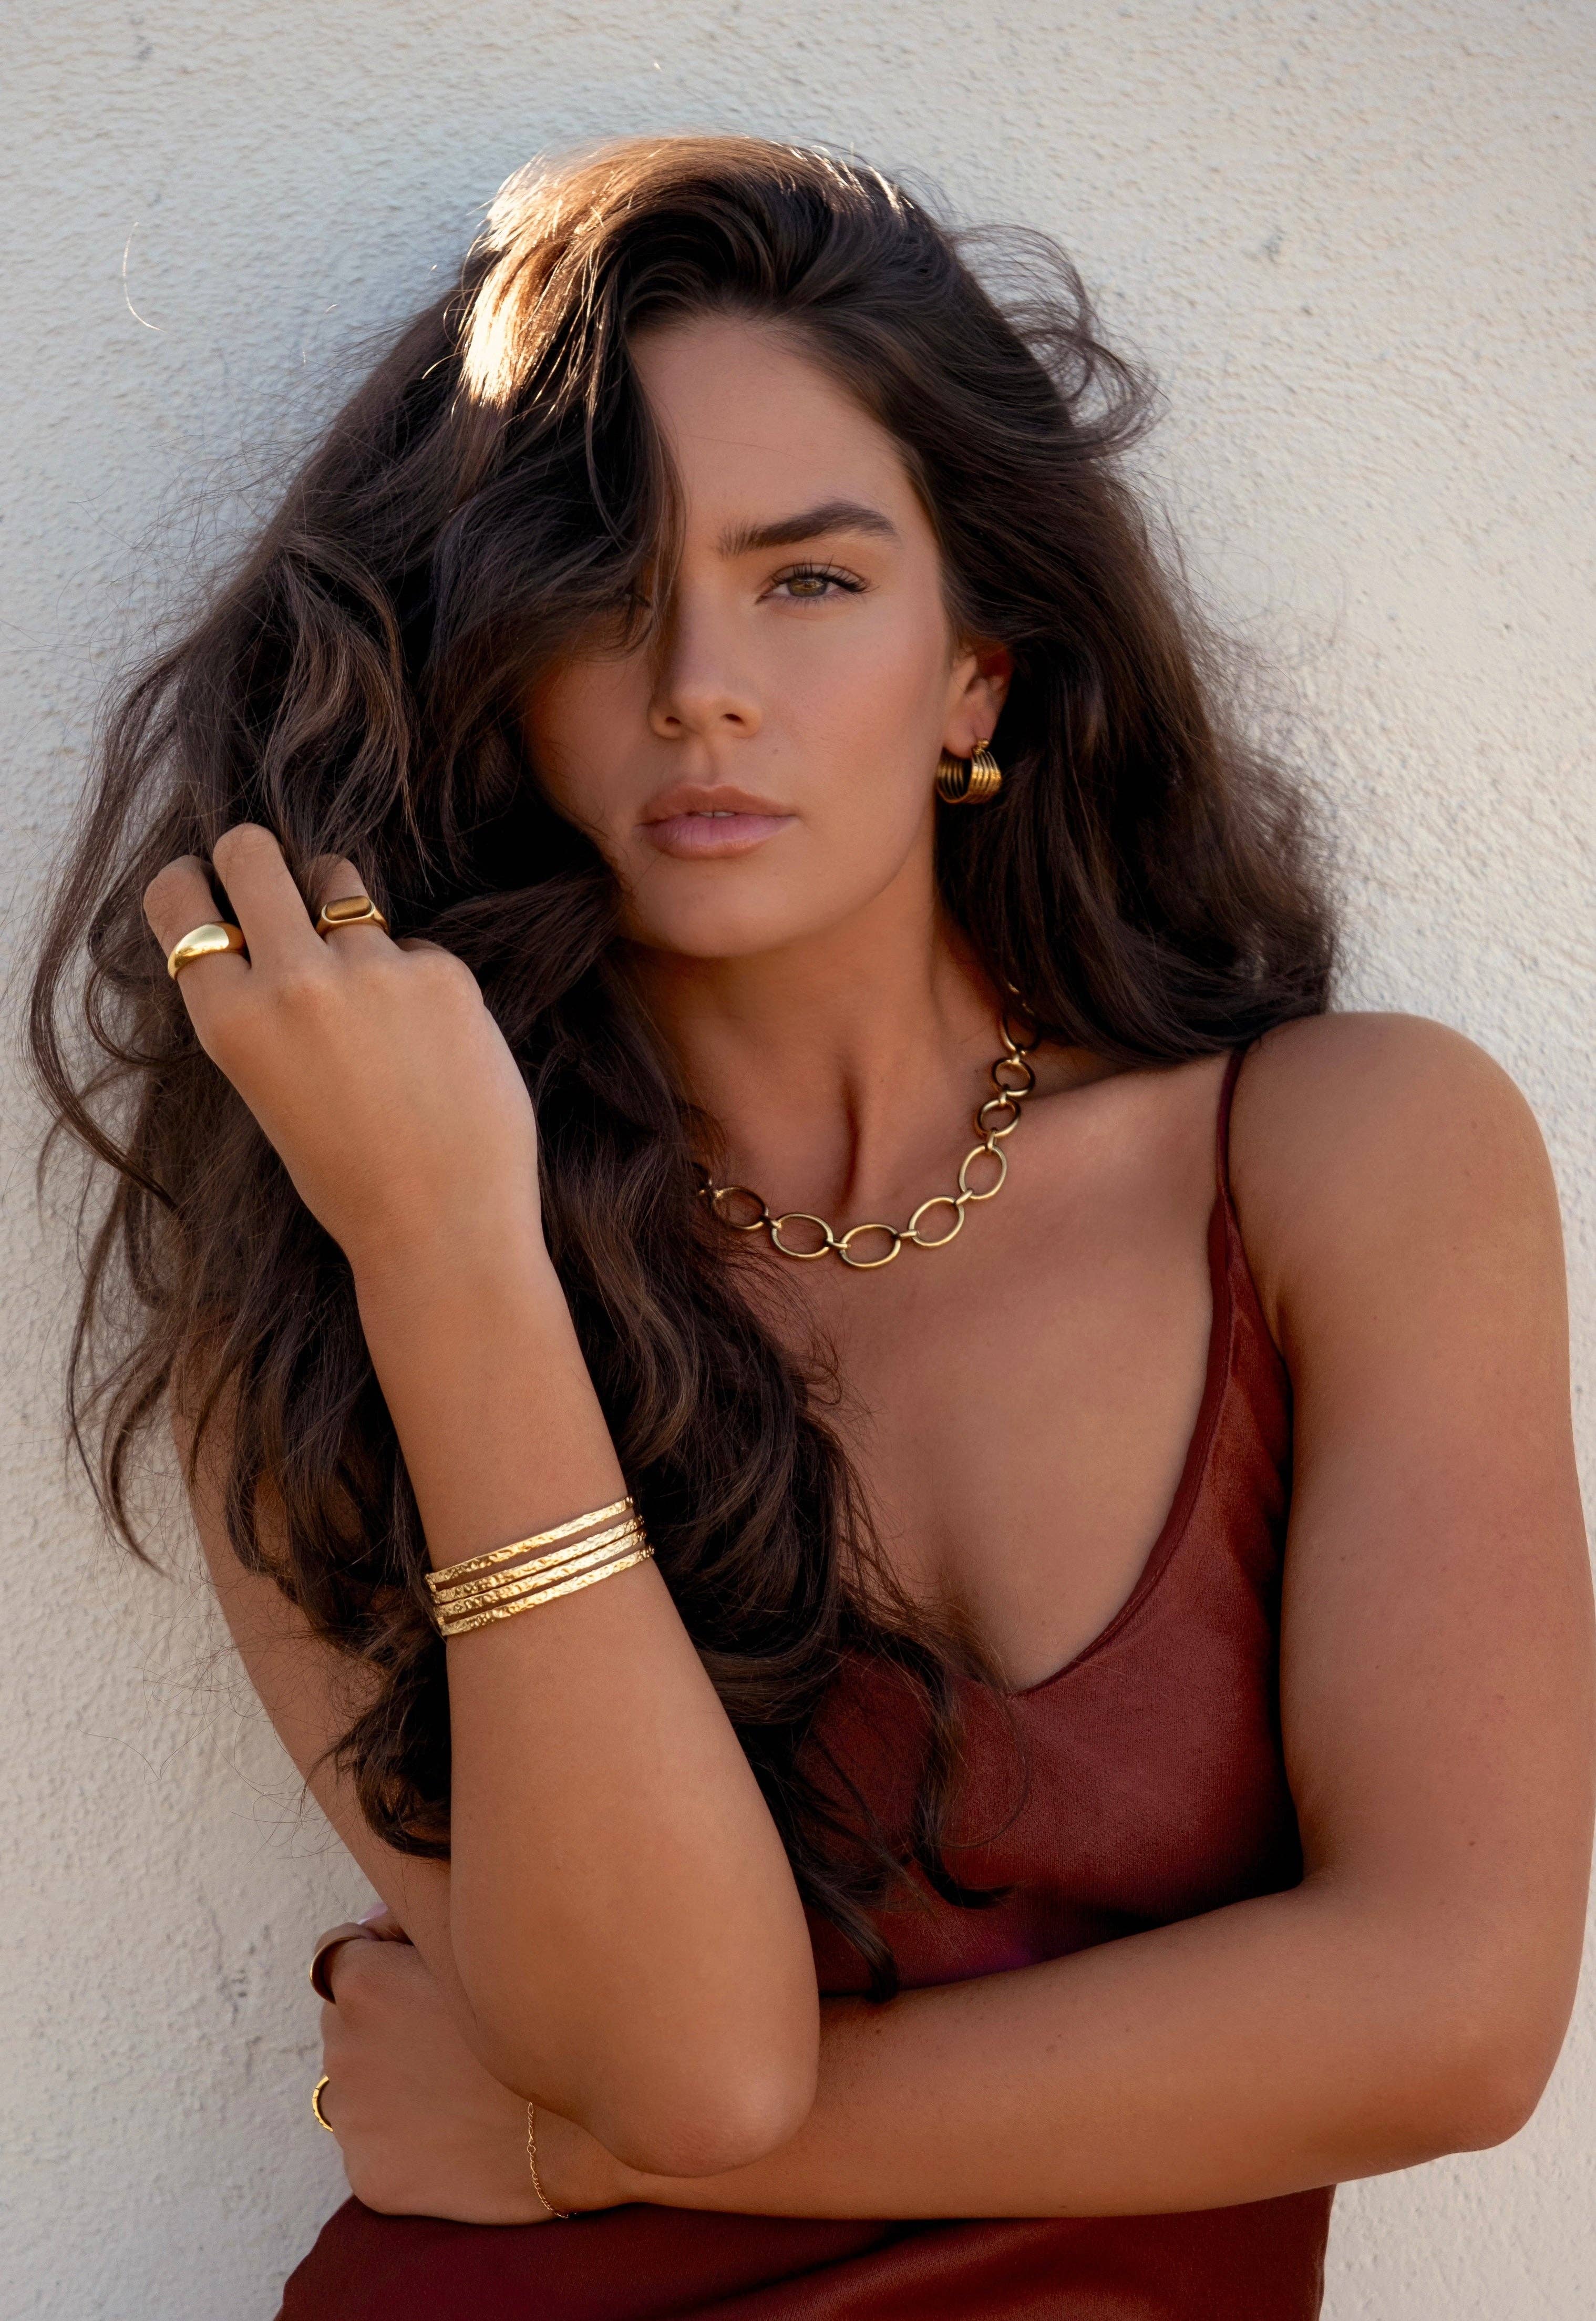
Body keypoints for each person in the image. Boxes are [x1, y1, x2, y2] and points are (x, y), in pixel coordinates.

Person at [30, 135, 1593, 2320]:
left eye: (814, 576)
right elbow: (685, 2060)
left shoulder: (1348, 1158)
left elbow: (1451, 2017)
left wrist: (564, 2153)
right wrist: (458, 1252)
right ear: (493, 676)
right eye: (602, 588)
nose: (700, 682)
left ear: (980, 674)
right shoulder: (331, 1282)